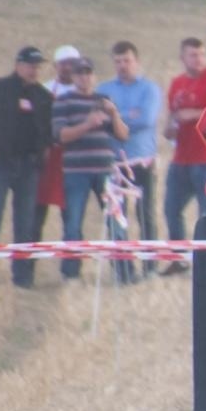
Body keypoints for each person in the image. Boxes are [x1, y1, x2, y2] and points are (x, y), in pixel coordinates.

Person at [0, 47, 54, 288]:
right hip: (1, 164)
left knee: (25, 225)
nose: (34, 70)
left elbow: (49, 135)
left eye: (37, 66)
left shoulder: (43, 96)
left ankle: (22, 277)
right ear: (18, 65)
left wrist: (41, 161)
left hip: (29, 168)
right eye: (30, 65)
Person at [52, 57, 127, 281]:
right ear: (73, 77)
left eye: (88, 73)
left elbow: (123, 135)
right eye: (80, 73)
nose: (84, 77)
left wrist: (114, 114)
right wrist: (87, 124)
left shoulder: (104, 100)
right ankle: (71, 273)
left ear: (93, 76)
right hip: (76, 171)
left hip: (105, 170)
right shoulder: (64, 101)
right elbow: (60, 136)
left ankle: (123, 272)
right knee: (73, 223)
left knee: (116, 221)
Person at [97, 40, 162, 282]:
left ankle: (150, 267)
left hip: (142, 162)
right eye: (118, 61)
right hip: (114, 164)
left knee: (146, 215)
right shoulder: (104, 89)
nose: (122, 65)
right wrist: (126, 116)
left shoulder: (149, 89)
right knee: (116, 218)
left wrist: (116, 117)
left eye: (127, 60)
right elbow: (101, 121)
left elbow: (146, 119)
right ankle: (123, 271)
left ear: (136, 61)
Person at [163, 37, 206, 269]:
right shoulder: (177, 83)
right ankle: (178, 259)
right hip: (181, 159)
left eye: (201, 55)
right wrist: (169, 128)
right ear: (183, 58)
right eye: (193, 55)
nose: (198, 59)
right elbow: (172, 117)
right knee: (171, 209)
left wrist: (192, 114)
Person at [33, 44, 83, 242]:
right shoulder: (43, 90)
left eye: (72, 63)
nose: (68, 67)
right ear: (56, 66)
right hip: (47, 159)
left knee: (71, 218)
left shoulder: (84, 91)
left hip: (72, 160)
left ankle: (71, 260)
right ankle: (29, 258)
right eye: (63, 63)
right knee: (36, 215)